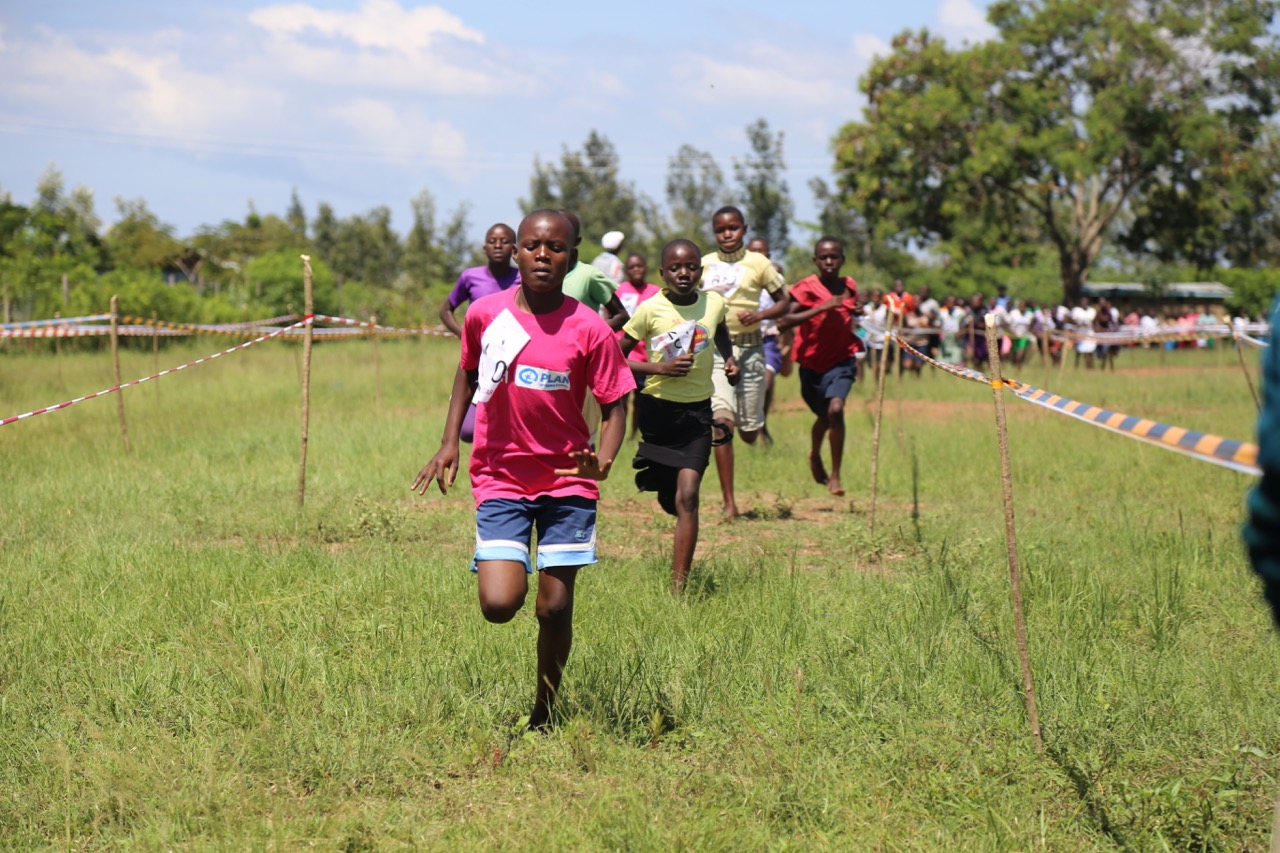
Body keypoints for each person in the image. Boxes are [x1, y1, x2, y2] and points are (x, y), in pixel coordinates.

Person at [412, 209, 636, 731]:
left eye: (555, 247)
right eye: (532, 245)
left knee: (554, 610)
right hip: (501, 475)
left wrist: (602, 460)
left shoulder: (590, 328)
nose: (543, 254)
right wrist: (449, 443)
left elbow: (615, 405)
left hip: (569, 481)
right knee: (499, 603)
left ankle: (545, 710)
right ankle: (507, 563)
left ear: (572, 257)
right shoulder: (485, 314)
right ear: (515, 254)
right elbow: (466, 374)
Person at [620, 239, 739, 593]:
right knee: (670, 498)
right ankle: (671, 502)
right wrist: (660, 367)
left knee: (688, 496)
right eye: (675, 268)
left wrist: (729, 360)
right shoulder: (649, 309)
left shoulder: (714, 302)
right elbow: (614, 356)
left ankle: (678, 588)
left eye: (690, 267)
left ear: (700, 272)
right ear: (662, 273)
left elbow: (719, 331)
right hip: (657, 414)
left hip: (697, 415)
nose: (683, 274)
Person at [699, 206, 790, 518]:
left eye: (733, 228)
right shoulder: (704, 265)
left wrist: (760, 315)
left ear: (744, 229)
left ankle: (752, 424)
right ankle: (729, 503)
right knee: (722, 423)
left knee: (748, 431)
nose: (727, 234)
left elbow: (784, 302)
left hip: (752, 351)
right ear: (714, 232)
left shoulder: (759, 263)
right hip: (716, 352)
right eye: (721, 230)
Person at [778, 237, 860, 497]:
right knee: (824, 416)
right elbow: (784, 321)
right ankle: (815, 455)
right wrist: (821, 307)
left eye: (834, 257)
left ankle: (836, 475)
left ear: (842, 259)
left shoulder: (849, 285)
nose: (829, 261)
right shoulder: (806, 288)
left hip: (842, 360)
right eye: (823, 257)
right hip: (812, 366)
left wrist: (856, 310)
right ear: (815, 261)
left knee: (836, 410)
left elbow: (849, 312)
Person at [438, 223, 520, 442]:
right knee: (467, 431)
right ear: (484, 248)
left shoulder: (524, 278)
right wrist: (463, 334)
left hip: (516, 357)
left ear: (515, 249)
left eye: (504, 241)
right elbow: (446, 310)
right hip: (481, 357)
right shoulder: (470, 277)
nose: (498, 245)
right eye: (492, 241)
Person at [615, 253, 663, 438]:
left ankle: (634, 434)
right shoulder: (619, 290)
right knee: (622, 398)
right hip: (624, 355)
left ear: (646, 268)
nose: (636, 270)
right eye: (632, 267)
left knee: (641, 401)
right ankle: (620, 431)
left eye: (639, 266)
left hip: (645, 357)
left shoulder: (655, 292)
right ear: (626, 271)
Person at [747, 236, 784, 446]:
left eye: (763, 252)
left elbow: (785, 306)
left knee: (766, 384)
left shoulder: (775, 281)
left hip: (767, 340)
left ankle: (762, 422)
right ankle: (750, 425)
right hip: (740, 340)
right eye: (754, 251)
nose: (759, 256)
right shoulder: (737, 279)